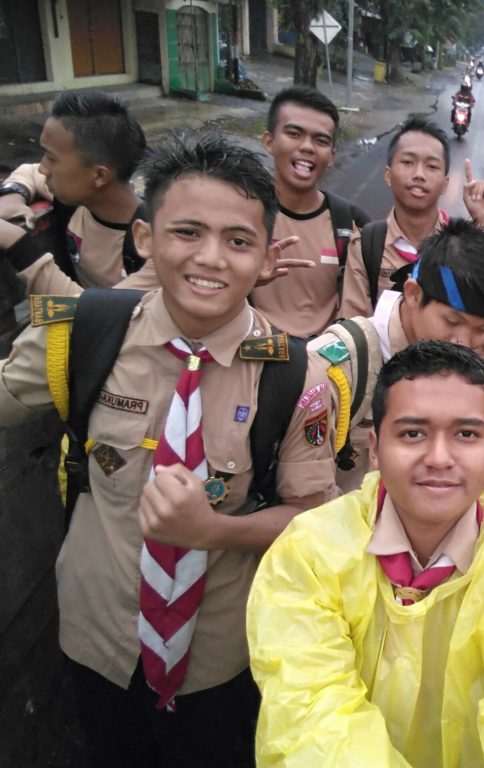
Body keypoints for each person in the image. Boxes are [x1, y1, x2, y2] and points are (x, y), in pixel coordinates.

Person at [0, 134, 338, 765]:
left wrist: (212, 530)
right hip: (96, 637)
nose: (210, 258)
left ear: (266, 257)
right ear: (146, 238)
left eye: (238, 241)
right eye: (187, 232)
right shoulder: (82, 329)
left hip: (217, 658)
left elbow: (314, 516)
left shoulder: (297, 376)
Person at [247, 341, 484, 767]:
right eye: (413, 434)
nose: (439, 458)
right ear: (375, 447)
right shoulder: (310, 553)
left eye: (466, 434)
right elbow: (315, 718)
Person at [310, 217, 484, 493]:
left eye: (481, 329)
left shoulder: (466, 369)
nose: (463, 342)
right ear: (413, 293)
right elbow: (306, 497)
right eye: (451, 321)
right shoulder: (340, 366)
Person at [0, 90, 159, 293]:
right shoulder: (82, 198)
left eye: (52, 158)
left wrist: (18, 245)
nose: (43, 168)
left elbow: (99, 308)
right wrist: (12, 197)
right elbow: (28, 172)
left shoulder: (153, 247)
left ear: (99, 176)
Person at [339, 118, 484, 319]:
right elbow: (354, 326)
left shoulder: (465, 243)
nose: (419, 174)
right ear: (388, 175)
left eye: (432, 166)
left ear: (445, 184)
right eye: (408, 162)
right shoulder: (366, 246)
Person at [250, 86, 370, 338]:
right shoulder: (239, 215)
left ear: (332, 156)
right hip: (252, 352)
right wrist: (246, 277)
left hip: (324, 356)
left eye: (321, 140)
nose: (307, 147)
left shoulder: (351, 223)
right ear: (269, 141)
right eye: (294, 134)